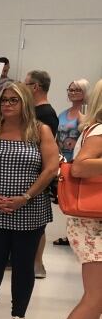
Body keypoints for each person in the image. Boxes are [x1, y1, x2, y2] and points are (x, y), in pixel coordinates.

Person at [0, 82, 58, 319]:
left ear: (25, 103)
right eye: (4, 100)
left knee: (22, 267)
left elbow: (50, 168)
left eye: (14, 100)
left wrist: (25, 197)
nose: (7, 104)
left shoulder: (39, 131)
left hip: (29, 210)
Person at [40, 78, 102, 319]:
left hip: (94, 220)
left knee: (97, 294)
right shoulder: (100, 130)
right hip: (93, 222)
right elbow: (80, 168)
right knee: (96, 295)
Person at [25, 69, 59, 279]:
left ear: (35, 87)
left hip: (37, 174)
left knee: (37, 222)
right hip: (28, 173)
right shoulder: (34, 111)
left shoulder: (45, 113)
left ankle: (37, 262)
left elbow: (45, 148)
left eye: (25, 84)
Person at [53, 79, 89, 247]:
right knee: (63, 196)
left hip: (77, 160)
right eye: (71, 89)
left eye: (77, 90)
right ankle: (67, 233)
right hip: (62, 160)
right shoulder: (62, 114)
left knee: (76, 196)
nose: (73, 93)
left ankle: (74, 235)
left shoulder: (87, 114)